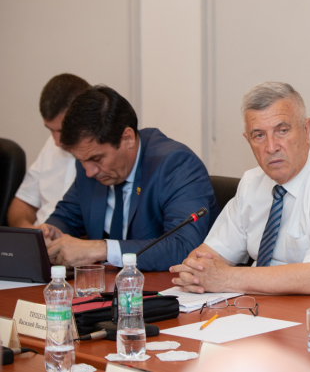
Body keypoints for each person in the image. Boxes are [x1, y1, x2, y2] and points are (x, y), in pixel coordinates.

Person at [170, 82, 310, 302]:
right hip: (266, 311)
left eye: (282, 131)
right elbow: (207, 256)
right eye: (259, 135)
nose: (271, 147)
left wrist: (226, 277)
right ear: (248, 140)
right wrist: (197, 271)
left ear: (306, 130)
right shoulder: (252, 183)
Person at [36, 85, 219, 271]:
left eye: (96, 159)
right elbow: (67, 217)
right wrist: (50, 233)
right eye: (81, 160)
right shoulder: (89, 166)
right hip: (107, 285)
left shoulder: (175, 164)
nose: (89, 172)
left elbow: (183, 246)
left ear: (127, 138)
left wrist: (101, 249)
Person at [8, 73, 90, 227]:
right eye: (50, 130)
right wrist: (30, 233)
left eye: (63, 130)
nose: (57, 141)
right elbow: (22, 203)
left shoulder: (101, 157)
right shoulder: (50, 145)